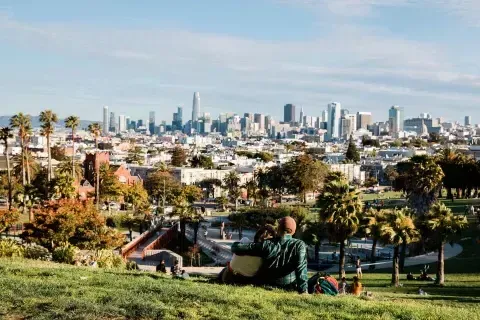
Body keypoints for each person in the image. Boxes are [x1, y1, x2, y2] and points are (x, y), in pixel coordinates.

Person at [230, 216, 308, 294]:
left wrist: (240, 243)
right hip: (288, 286)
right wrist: (303, 291)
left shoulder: (267, 244)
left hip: (265, 284)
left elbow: (236, 248)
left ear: (278, 229)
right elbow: (301, 269)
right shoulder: (299, 245)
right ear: (293, 232)